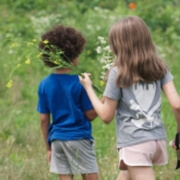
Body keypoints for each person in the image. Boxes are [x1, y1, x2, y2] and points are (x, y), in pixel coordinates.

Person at [79, 16, 180, 180]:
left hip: (135, 141)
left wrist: (88, 87)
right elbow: (177, 105)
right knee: (126, 174)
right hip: (156, 139)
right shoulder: (160, 67)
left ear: (118, 45)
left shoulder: (117, 73)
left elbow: (105, 116)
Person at [37, 25, 99, 180]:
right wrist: (103, 99)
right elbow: (91, 115)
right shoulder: (79, 82)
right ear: (73, 55)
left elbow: (44, 119)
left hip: (57, 140)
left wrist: (48, 148)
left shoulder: (44, 84)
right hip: (79, 138)